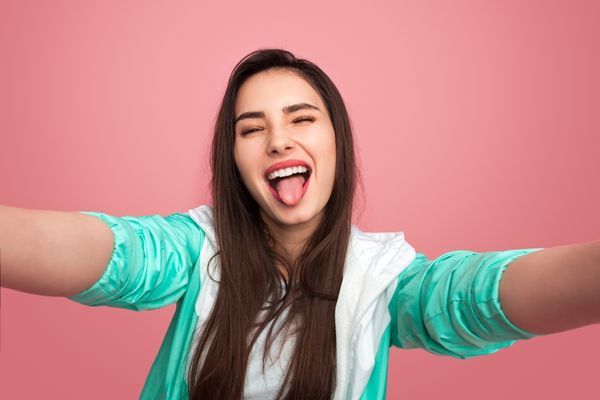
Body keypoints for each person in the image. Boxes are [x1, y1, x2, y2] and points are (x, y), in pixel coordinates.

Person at [1, 48, 599, 400]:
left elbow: (477, 297)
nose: (278, 139)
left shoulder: (383, 279)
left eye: (302, 119)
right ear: (233, 160)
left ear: (337, 141)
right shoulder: (194, 250)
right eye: (251, 128)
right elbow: (115, 254)